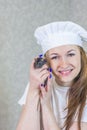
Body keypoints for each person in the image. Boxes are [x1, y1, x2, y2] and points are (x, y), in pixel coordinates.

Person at [16, 21, 87, 130]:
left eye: (71, 54)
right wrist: (33, 89)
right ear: (47, 61)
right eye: (54, 57)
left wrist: (46, 105)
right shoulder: (40, 83)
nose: (64, 64)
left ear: (81, 56)